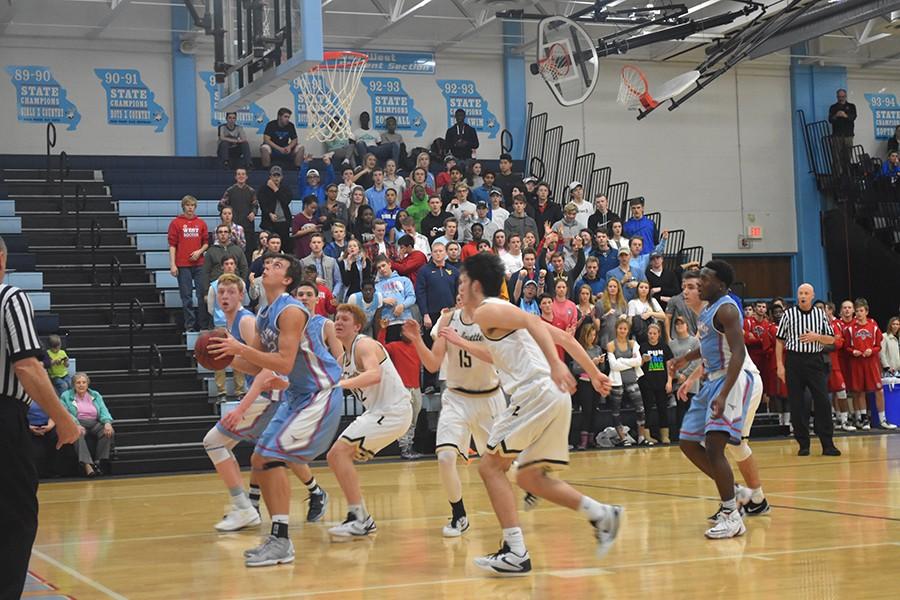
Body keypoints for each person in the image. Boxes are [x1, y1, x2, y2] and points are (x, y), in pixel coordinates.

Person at [455, 252, 621, 575]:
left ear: (475, 285)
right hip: (553, 395)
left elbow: (534, 323)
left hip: (536, 392)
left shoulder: (489, 309)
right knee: (530, 477)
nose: (458, 289)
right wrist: (593, 372)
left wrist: (557, 364)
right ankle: (602, 515)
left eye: (461, 282)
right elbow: (561, 337)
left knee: (490, 468)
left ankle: (515, 551)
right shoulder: (497, 316)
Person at [209, 258, 344, 567]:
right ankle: (278, 537)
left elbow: (283, 363)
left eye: (276, 264)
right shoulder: (264, 314)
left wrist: (239, 348)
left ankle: (282, 541)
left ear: (286, 280)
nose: (267, 265)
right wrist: (225, 358)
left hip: (319, 393)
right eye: (267, 262)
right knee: (259, 458)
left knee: (269, 457)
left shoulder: (292, 310)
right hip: (296, 396)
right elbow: (257, 366)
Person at [0, 235, 80, 598]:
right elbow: (28, 367)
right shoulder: (9, 297)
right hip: (4, 415)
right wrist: (63, 418)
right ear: (1, 260)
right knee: (16, 516)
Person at [668, 260, 764, 539]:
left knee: (715, 445)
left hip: (730, 379)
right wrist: (684, 358)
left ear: (720, 285)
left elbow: (738, 353)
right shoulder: (708, 311)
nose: (700, 285)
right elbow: (708, 346)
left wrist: (724, 393)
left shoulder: (726, 309)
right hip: (711, 380)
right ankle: (733, 491)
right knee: (687, 441)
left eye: (705, 281)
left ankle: (731, 514)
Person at [401, 299, 505, 535]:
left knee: (502, 466)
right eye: (458, 291)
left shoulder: (489, 319)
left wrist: (462, 342)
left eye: (466, 290)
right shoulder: (447, 320)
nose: (460, 297)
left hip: (487, 399)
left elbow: (497, 356)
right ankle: (459, 515)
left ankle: (533, 480)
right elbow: (432, 364)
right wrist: (417, 340)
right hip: (456, 397)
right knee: (446, 457)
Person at [326, 304, 414, 540]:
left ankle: (360, 519)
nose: (339, 322)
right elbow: (323, 382)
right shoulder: (342, 359)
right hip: (379, 412)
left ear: (357, 326)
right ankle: (360, 516)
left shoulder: (364, 344)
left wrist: (340, 385)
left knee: (337, 454)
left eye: (345, 319)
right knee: (338, 456)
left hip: (393, 410)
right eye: (336, 318)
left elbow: (374, 375)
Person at [775, 283, 841, 456]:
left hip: (814, 361)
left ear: (812, 296)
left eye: (806, 293)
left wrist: (817, 337)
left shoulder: (820, 314)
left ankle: (828, 444)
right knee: (797, 404)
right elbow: (780, 341)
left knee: (823, 402)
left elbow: (831, 339)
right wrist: (780, 366)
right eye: (800, 293)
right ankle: (803, 444)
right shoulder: (789, 314)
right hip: (794, 361)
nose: (803, 296)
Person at [844, 298, 896, 429]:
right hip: (857, 363)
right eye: (857, 311)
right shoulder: (850, 328)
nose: (859, 313)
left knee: (879, 390)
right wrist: (853, 351)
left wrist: (871, 350)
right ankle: (863, 419)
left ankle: (883, 419)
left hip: (871, 363)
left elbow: (879, 345)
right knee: (859, 391)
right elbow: (846, 347)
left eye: (861, 311)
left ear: (866, 311)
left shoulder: (873, 325)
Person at [375, 323, 422, 459]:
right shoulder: (395, 346)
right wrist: (383, 329)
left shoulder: (418, 348)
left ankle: (409, 447)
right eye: (405, 331)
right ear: (401, 334)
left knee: (414, 419)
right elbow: (380, 348)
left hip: (416, 387)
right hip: (403, 389)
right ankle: (404, 449)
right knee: (405, 419)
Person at [607, 316, 651, 446]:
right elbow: (613, 366)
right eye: (620, 328)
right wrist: (630, 362)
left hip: (632, 380)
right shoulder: (611, 345)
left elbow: (639, 361)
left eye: (625, 329)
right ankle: (623, 438)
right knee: (615, 411)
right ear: (616, 330)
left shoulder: (632, 343)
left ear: (628, 330)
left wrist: (621, 361)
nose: (622, 331)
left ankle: (641, 437)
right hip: (616, 382)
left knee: (640, 409)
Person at [59, 373, 114, 477]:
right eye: (78, 382)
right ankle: (87, 464)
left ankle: (98, 462)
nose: (81, 385)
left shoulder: (95, 394)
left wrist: (107, 422)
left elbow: (103, 409)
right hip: (77, 422)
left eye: (84, 382)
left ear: (87, 384)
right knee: (76, 433)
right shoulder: (66, 395)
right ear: (73, 385)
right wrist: (76, 424)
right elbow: (65, 413)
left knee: (107, 431)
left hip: (94, 422)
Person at [168, 195, 210, 332]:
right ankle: (190, 325)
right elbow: (172, 245)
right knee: (186, 296)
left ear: (195, 207)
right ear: (183, 206)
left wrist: (199, 251)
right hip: (182, 264)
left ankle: (203, 325)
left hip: (199, 264)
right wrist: (172, 264)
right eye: (188, 205)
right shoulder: (176, 223)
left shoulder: (201, 223)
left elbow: (206, 243)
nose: (190, 208)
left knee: (201, 295)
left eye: (192, 205)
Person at [570, 322, 606, 450]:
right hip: (584, 383)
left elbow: (602, 369)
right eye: (589, 335)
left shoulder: (597, 348)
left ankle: (591, 439)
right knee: (586, 412)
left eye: (594, 335)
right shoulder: (580, 349)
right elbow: (575, 369)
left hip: (595, 383)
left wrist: (600, 363)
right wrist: (591, 363)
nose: (592, 337)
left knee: (594, 412)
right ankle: (583, 441)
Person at [639, 323, 673, 444]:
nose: (652, 336)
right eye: (650, 333)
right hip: (647, 383)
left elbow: (670, 366)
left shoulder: (664, 347)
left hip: (662, 383)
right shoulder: (642, 347)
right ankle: (647, 435)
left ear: (659, 334)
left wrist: (669, 381)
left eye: (654, 333)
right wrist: (642, 360)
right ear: (647, 334)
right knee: (647, 409)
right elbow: (637, 365)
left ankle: (664, 435)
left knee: (662, 408)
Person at [669, 314, 701, 442]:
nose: (679, 326)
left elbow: (697, 361)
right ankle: (680, 436)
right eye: (677, 324)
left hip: (692, 382)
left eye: (682, 323)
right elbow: (671, 362)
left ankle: (693, 435)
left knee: (692, 408)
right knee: (680, 410)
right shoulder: (672, 344)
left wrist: (686, 375)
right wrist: (678, 375)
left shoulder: (694, 341)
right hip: (678, 382)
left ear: (687, 325)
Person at [218, 168, 259, 259]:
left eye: (243, 174)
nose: (241, 176)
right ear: (236, 177)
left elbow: (255, 205)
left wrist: (253, 213)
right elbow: (220, 205)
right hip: (233, 227)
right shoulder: (230, 190)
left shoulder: (251, 191)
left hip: (247, 225)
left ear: (246, 177)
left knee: (248, 252)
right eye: (239, 174)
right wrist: (227, 215)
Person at [258, 165, 293, 255]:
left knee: (284, 247)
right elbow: (262, 204)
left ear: (282, 177)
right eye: (274, 176)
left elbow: (286, 201)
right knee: (268, 247)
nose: (276, 178)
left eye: (278, 176)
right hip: (269, 223)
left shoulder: (286, 188)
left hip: (284, 223)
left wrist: (275, 189)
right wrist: (269, 213)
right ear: (270, 177)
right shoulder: (263, 189)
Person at [300, 233, 342, 298]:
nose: (316, 244)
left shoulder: (331, 261)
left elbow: (338, 281)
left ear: (323, 244)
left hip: (329, 296)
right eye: (314, 242)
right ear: (310, 245)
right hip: (311, 297)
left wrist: (333, 294)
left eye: (319, 242)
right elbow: (300, 280)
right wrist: (313, 279)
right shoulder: (303, 262)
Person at [828, 89, 856, 178]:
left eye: (843, 96)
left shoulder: (851, 106)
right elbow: (830, 120)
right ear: (837, 97)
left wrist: (845, 115)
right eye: (839, 97)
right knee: (836, 157)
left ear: (846, 96)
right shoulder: (833, 107)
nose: (841, 98)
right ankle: (837, 176)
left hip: (848, 135)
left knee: (847, 156)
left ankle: (847, 175)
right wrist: (836, 115)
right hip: (837, 135)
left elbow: (853, 117)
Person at [291, 195, 320, 260]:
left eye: (315, 208)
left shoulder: (315, 219)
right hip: (301, 250)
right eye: (312, 208)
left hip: (313, 250)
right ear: (305, 205)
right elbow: (294, 233)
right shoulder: (298, 218)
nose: (313, 210)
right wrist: (310, 230)